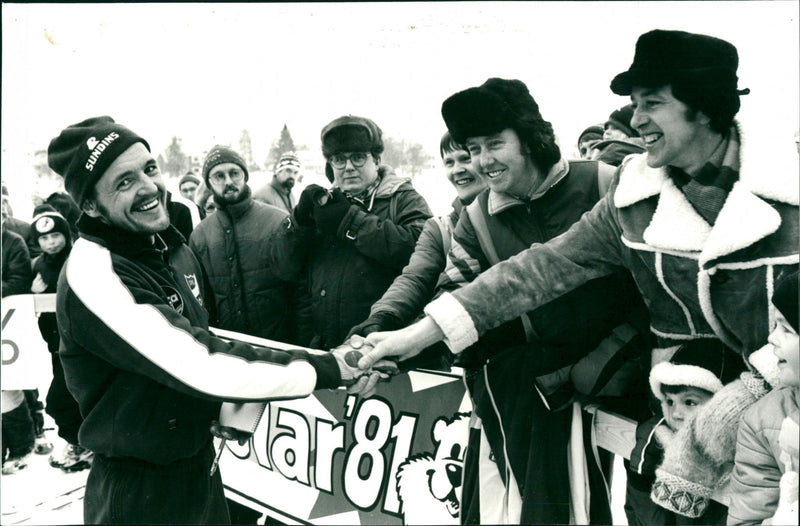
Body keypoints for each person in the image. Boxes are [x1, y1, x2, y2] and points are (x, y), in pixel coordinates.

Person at [357, 29, 798, 517]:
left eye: (652, 103)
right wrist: (415, 335)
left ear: (706, 105)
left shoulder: (790, 189)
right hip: (669, 416)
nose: (635, 119)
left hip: (783, 429)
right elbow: (537, 270)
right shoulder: (632, 197)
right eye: (633, 103)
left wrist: (752, 391)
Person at [45, 116, 379, 524]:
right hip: (141, 493)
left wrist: (219, 410)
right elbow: (196, 359)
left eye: (149, 169)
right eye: (124, 182)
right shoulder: (96, 271)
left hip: (196, 469)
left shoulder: (159, 247)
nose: (149, 187)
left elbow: (195, 339)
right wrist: (329, 367)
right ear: (91, 205)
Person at [434, 77, 649, 525]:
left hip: (631, 376)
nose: (483, 161)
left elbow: (654, 286)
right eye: (473, 149)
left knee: (643, 502)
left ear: (529, 139)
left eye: (495, 144)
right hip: (545, 390)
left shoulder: (603, 182)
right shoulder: (475, 219)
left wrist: (602, 363)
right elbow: (454, 290)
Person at [272, 115, 432, 350]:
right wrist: (299, 222)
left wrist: (352, 223)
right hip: (326, 351)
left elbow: (423, 253)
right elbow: (283, 268)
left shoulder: (404, 198)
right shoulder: (324, 205)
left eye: (358, 158)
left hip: (383, 350)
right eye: (339, 159)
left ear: (376, 160)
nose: (348, 167)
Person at [347, 131, 485, 338]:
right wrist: (382, 317)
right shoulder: (441, 228)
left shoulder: (517, 215)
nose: (457, 170)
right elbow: (414, 278)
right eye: (449, 162)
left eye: (465, 159)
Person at [625, 340, 744, 525]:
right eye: (670, 402)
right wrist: (640, 477)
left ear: (722, 406)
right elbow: (638, 516)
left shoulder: (740, 452)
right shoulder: (655, 442)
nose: (675, 414)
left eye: (689, 402)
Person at [189, 145, 298, 344]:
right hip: (231, 350)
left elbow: (300, 291)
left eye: (234, 173)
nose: (229, 181)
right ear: (209, 184)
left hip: (281, 346)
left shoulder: (278, 221)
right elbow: (204, 302)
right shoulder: (200, 236)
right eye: (219, 176)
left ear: (245, 176)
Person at [728, 270, 799, 525]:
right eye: (775, 325)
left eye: (787, 329)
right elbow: (747, 519)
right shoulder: (762, 421)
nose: (771, 338)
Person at [29, 210, 92, 472]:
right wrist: (32, 293)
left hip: (82, 343)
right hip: (55, 344)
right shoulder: (37, 266)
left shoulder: (79, 258)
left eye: (56, 235)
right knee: (64, 397)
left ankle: (84, 442)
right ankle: (81, 440)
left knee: (64, 398)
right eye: (44, 238)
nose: (51, 242)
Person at [1, 202, 36, 474]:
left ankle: (23, 444)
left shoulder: (13, 243)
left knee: (9, 386)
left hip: (8, 321)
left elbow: (19, 279)